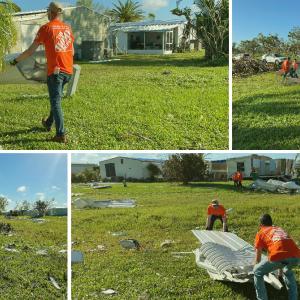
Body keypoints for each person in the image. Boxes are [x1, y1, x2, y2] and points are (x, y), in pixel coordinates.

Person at [10, 2, 74, 143]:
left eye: (47, 11)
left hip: (56, 72)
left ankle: (60, 134)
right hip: (68, 71)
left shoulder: (46, 28)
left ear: (50, 12)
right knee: (55, 98)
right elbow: (72, 51)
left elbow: (30, 51)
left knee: (55, 102)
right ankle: (48, 123)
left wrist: (15, 61)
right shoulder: (68, 29)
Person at [253, 214, 300, 300]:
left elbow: (258, 257)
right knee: (287, 270)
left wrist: (258, 267)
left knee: (257, 272)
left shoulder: (260, 232)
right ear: (271, 223)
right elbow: (282, 248)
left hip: (280, 256)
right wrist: (279, 275)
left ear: (260, 225)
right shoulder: (279, 229)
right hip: (296, 256)